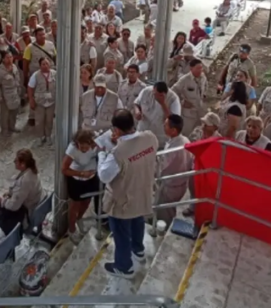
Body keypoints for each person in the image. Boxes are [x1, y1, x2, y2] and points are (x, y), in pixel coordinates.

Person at [97, 109, 158, 278]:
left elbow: (104, 175)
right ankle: (138, 250)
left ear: (116, 130)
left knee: (121, 233)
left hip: (123, 201)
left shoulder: (118, 153)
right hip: (143, 193)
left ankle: (125, 267)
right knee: (138, 220)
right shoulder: (150, 137)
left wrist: (103, 154)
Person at [0, 149, 46, 235]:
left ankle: (3, 234)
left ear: (23, 164)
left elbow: (14, 206)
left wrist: (2, 201)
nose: (14, 161)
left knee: (0, 207)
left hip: (28, 211)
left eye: (16, 160)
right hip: (37, 202)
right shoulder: (33, 171)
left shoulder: (25, 181)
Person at [62, 130, 100, 244]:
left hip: (92, 178)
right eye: (80, 145)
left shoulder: (96, 144)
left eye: (85, 145)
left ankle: (80, 219)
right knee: (75, 205)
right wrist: (82, 174)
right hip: (77, 180)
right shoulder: (72, 149)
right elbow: (64, 169)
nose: (82, 148)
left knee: (87, 200)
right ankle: (72, 229)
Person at [156, 114, 193, 223]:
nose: (163, 126)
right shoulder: (185, 140)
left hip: (171, 186)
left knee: (165, 214)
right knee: (169, 210)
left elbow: (162, 167)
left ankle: (164, 229)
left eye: (166, 125)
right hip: (181, 184)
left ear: (173, 130)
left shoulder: (173, 149)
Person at [135, 81, 182, 148]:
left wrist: (163, 103)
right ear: (153, 89)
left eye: (160, 95)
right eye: (155, 94)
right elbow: (136, 103)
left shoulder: (173, 99)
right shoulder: (146, 91)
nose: (156, 97)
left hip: (160, 139)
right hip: (142, 133)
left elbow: (174, 121)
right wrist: (137, 112)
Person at [172, 59, 207, 136]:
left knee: (199, 134)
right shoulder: (184, 79)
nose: (200, 70)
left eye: (201, 68)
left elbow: (205, 87)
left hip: (200, 112)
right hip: (189, 114)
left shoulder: (203, 77)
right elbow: (173, 92)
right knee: (186, 134)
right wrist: (182, 101)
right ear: (191, 68)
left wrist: (204, 95)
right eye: (198, 68)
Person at [0, 50, 23, 135]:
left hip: (15, 93)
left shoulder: (14, 66)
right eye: (7, 57)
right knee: (5, 114)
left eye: (11, 57)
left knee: (14, 112)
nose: (10, 59)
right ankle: (4, 130)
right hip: (5, 95)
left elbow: (18, 79)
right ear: (3, 59)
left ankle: (12, 126)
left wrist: (19, 90)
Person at [28, 58, 57, 146]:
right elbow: (30, 88)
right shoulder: (35, 75)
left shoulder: (55, 74)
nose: (45, 66)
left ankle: (48, 136)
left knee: (49, 120)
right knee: (39, 120)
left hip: (51, 102)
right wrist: (31, 100)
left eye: (47, 64)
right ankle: (40, 137)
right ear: (40, 65)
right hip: (39, 102)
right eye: (43, 64)